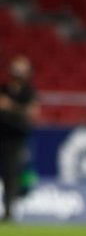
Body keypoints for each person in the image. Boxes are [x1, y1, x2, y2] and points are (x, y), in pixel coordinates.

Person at [0, 56, 39, 222]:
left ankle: (9, 211)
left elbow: (32, 113)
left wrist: (11, 107)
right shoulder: (4, 89)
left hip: (16, 139)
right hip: (1, 135)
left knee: (11, 175)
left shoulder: (29, 93)